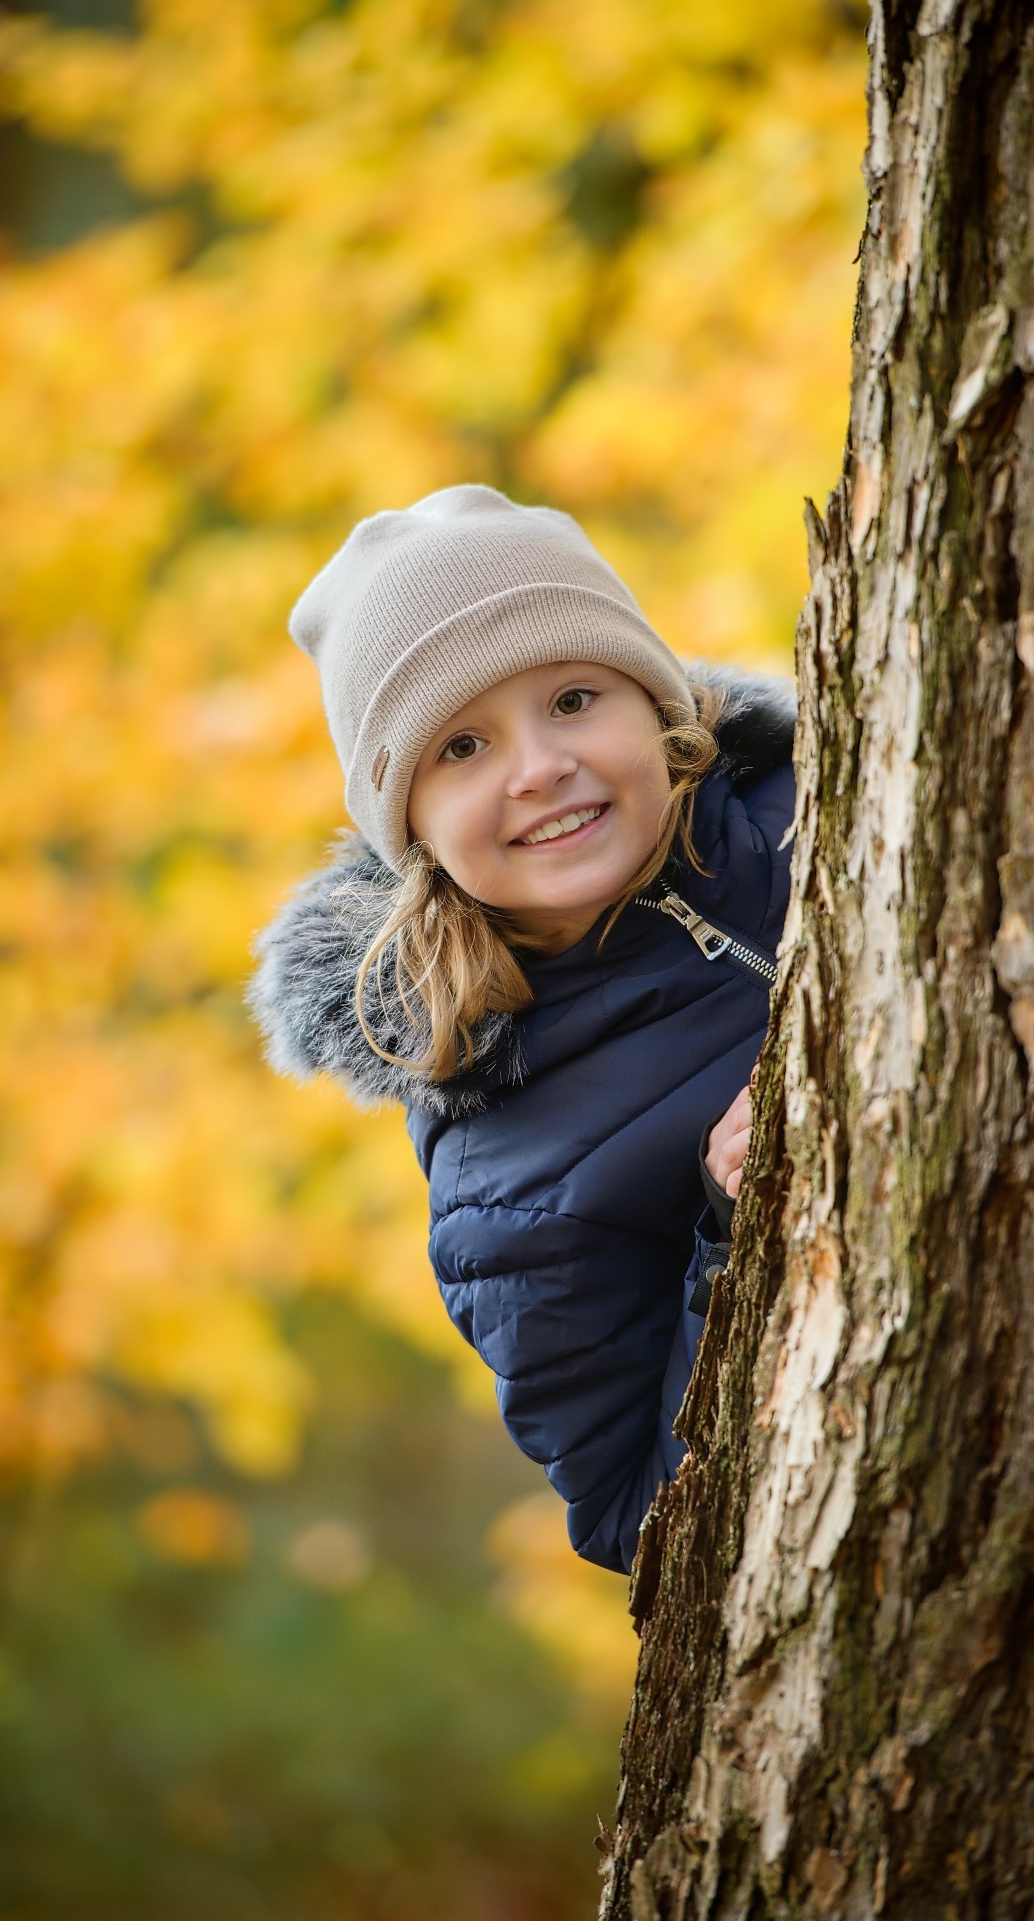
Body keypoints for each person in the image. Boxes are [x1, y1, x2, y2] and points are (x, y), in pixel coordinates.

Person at [249, 485, 794, 1573]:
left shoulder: (828, 794)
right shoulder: (510, 1183)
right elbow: (642, 1519)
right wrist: (738, 1238)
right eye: (461, 747)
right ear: (408, 825)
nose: (539, 766)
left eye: (574, 697)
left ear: (657, 704)